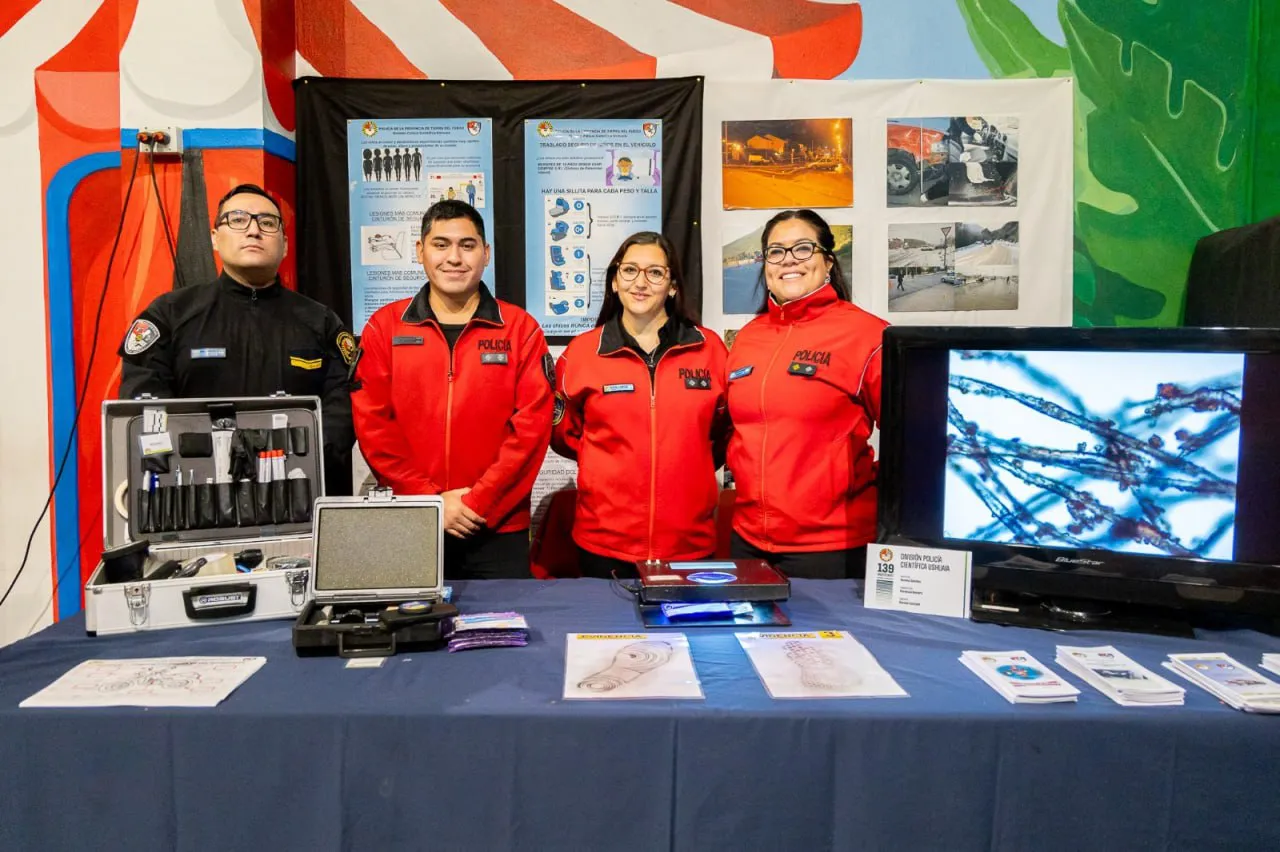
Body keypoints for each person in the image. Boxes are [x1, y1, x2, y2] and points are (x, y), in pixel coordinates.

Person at [351, 199, 553, 579]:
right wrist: (429, 502)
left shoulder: (520, 330)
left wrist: (478, 501)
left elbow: (531, 431)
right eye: (441, 245)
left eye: (468, 245)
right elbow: (374, 426)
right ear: (420, 252)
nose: (454, 258)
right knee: (414, 635)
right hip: (413, 523)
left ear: (486, 253)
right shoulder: (385, 327)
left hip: (495, 526)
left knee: (500, 635)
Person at [118, 183, 356, 493]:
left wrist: (303, 457)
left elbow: (343, 408)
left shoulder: (321, 321)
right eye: (238, 219)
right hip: (197, 495)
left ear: (284, 244)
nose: (254, 231)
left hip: (299, 490)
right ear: (215, 238)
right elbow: (143, 408)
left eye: (267, 223)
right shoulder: (169, 315)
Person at [551, 232, 729, 578]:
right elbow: (565, 435)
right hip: (604, 543)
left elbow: (723, 434)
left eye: (655, 273)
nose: (640, 283)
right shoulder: (582, 354)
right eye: (630, 270)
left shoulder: (711, 351)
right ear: (615, 282)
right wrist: (606, 468)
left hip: (689, 544)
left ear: (673, 285)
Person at [724, 209, 887, 579]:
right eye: (776, 251)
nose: (788, 260)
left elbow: (914, 441)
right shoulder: (748, 337)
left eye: (802, 249)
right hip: (748, 540)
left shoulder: (868, 336)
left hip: (830, 547)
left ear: (828, 261)